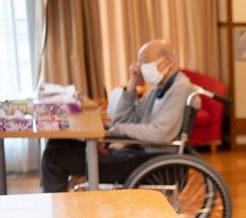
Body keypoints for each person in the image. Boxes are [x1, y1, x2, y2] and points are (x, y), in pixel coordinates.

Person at [41, 39, 195, 192]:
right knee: (57, 142)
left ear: (168, 61)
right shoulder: (158, 89)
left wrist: (116, 130)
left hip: (148, 161)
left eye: (145, 62)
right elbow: (122, 120)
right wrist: (132, 84)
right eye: (139, 63)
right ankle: (58, 204)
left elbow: (160, 133)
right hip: (132, 151)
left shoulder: (180, 89)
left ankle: (57, 210)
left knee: (55, 157)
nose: (140, 68)